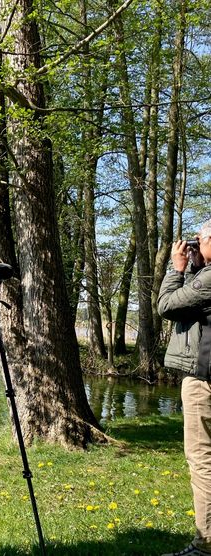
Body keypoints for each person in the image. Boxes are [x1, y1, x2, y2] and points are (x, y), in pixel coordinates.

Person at [158, 219, 211, 556]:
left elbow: (167, 305)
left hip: (204, 380)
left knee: (202, 459)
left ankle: (206, 543)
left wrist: (177, 270)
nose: (194, 243)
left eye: (200, 238)